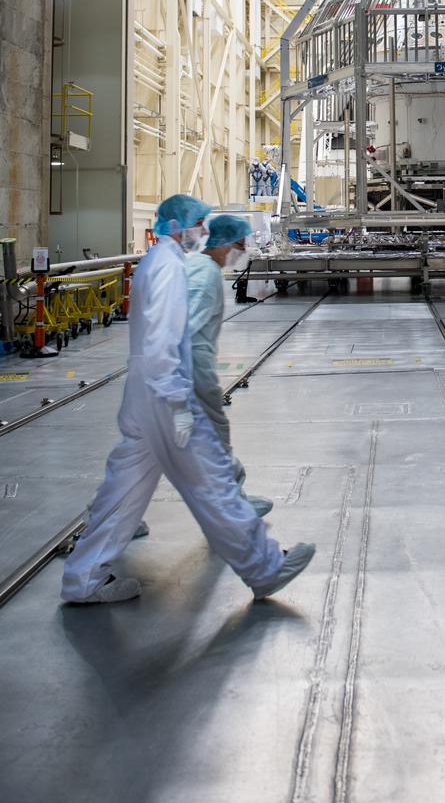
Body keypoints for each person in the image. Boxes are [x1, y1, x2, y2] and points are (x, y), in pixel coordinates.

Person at [61, 193, 314, 604]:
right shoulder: (167, 267)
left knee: (125, 485)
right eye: (197, 223)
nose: (202, 230)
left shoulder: (161, 262)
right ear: (179, 226)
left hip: (146, 392)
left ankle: (84, 577)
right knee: (212, 481)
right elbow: (165, 339)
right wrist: (179, 402)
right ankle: (265, 567)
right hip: (165, 391)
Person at [186, 213, 273, 518]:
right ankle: (231, 504)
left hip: (169, 369)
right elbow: (189, 330)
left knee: (148, 447)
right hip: (189, 370)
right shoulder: (205, 274)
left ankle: (113, 515)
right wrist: (199, 379)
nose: (240, 252)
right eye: (239, 245)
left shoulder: (195, 266)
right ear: (223, 243)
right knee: (213, 434)